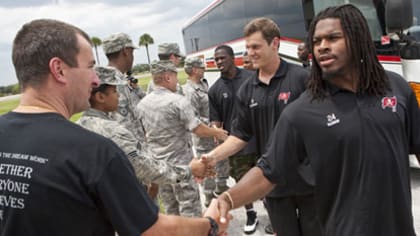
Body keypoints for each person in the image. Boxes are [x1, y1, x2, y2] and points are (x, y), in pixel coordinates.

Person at [0, 18, 231, 236]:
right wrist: (209, 225)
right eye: (90, 66)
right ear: (58, 69)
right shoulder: (94, 149)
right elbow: (151, 229)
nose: (94, 80)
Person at [214, 4, 420, 236]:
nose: (322, 46)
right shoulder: (301, 112)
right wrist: (227, 199)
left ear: (358, 37)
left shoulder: (397, 88)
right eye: (317, 41)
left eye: (333, 38)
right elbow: (266, 172)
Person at [203, 18, 321, 236]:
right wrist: (212, 157)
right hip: (271, 184)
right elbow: (240, 135)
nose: (250, 53)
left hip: (310, 182)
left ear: (275, 43)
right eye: (247, 48)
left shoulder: (303, 78)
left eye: (255, 47)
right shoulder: (247, 90)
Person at [77, 66, 210, 187]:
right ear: (100, 97)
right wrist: (188, 171)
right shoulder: (111, 131)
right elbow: (142, 166)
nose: (118, 95)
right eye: (114, 91)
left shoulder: (78, 126)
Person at [137, 60, 228, 217]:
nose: (177, 80)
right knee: (190, 210)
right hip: (182, 167)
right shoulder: (177, 101)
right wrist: (217, 133)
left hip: (159, 167)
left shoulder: (142, 104)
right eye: (174, 76)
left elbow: (143, 135)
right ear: (167, 77)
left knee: (171, 209)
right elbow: (197, 128)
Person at [209, 45, 260, 234]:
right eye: (216, 59)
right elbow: (216, 119)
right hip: (236, 146)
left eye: (222, 58)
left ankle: (275, 213)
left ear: (232, 58)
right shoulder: (214, 90)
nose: (219, 62)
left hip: (259, 140)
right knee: (242, 182)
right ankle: (251, 213)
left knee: (268, 178)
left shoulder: (251, 78)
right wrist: (216, 131)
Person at [181, 57, 216, 207]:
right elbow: (194, 118)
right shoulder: (188, 91)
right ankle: (208, 198)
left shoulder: (202, 84)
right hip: (203, 135)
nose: (204, 69)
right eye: (201, 67)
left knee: (214, 163)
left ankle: (214, 190)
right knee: (206, 165)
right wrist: (212, 128)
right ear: (194, 69)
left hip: (211, 131)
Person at [102, 33, 147, 148]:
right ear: (126, 51)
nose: (132, 57)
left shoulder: (109, 80)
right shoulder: (116, 83)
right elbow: (125, 132)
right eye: (132, 52)